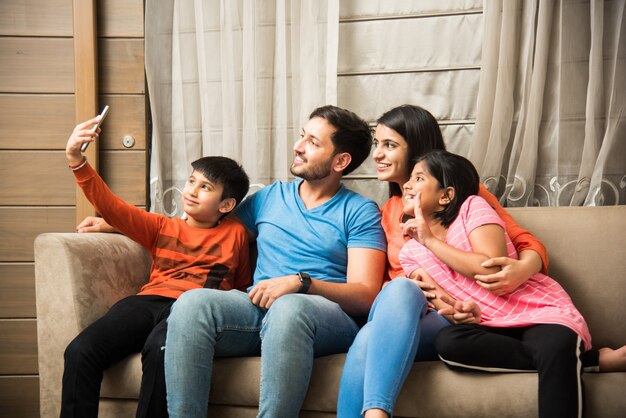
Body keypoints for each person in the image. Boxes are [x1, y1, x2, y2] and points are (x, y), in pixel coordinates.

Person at [163, 105, 387, 418]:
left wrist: (301, 283)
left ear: (341, 161)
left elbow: (365, 295)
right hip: (259, 309)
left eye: (313, 142)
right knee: (192, 304)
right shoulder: (269, 198)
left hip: (324, 318)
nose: (298, 147)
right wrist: (122, 225)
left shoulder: (359, 211)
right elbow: (203, 230)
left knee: (289, 306)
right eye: (301, 136)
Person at [337, 105, 548, 418]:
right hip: (408, 314)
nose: (377, 154)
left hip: (452, 316)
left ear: (418, 150)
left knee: (372, 333)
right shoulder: (387, 212)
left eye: (390, 145)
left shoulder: (461, 192)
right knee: (393, 302)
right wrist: (420, 286)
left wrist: (521, 269)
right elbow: (383, 284)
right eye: (377, 144)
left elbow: (526, 243)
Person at [399, 150, 626, 418]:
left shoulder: (472, 207)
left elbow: (491, 265)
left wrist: (430, 241)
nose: (407, 184)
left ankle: (562, 354)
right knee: (448, 343)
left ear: (446, 195)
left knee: (555, 341)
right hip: (489, 326)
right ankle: (585, 360)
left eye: (418, 178)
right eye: (410, 179)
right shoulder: (410, 252)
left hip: (537, 312)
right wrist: (461, 311)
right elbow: (445, 303)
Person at [62, 117, 252, 418]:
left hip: (194, 310)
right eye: (192, 180)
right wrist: (77, 160)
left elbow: (241, 286)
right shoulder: (162, 226)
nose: (191, 190)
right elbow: (115, 208)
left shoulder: (238, 234)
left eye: (205, 187)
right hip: (148, 302)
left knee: (160, 349)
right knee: (80, 351)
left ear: (226, 205)